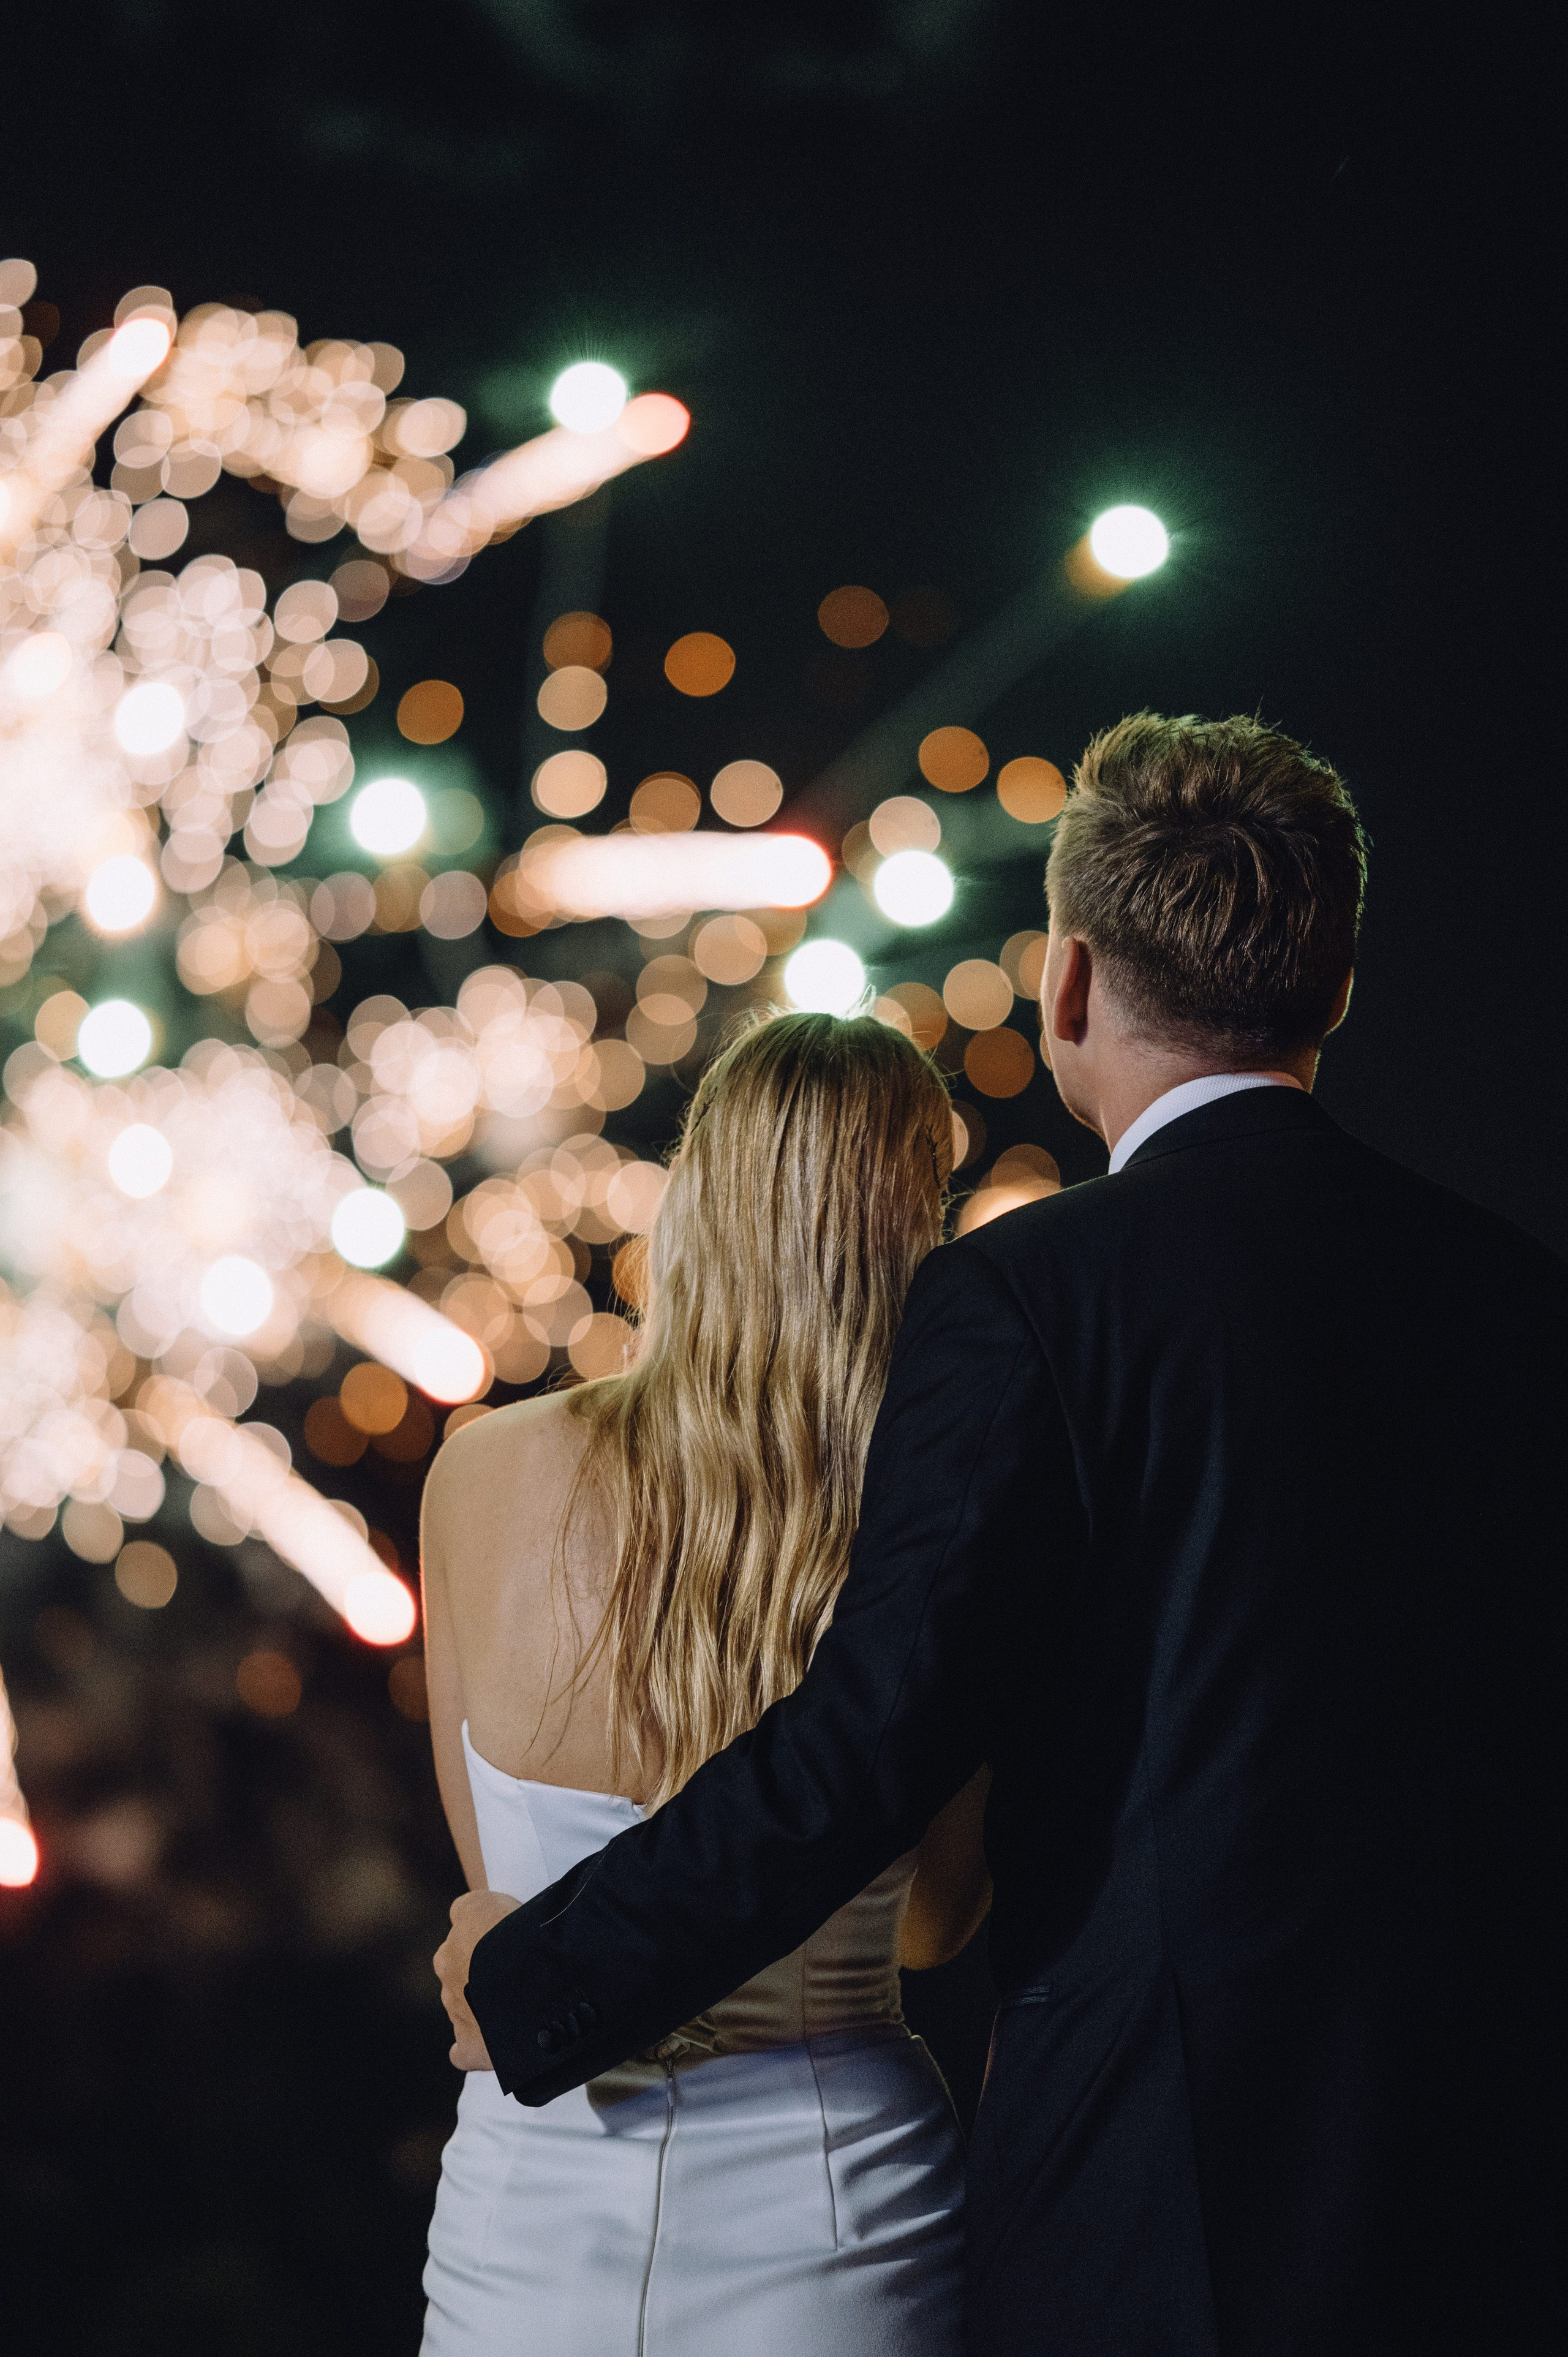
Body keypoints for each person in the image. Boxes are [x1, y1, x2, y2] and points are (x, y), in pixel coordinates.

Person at [439, 712, 1567, 2354]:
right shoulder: (1516, 1296)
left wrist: (550, 1971)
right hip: (1492, 2160)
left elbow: (874, 1734)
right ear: (1331, 984)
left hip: (1157, 2176)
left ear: (1069, 983)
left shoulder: (1028, 1299)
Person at [418, 1013, 991, 2354]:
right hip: (836, 2206)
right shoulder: (935, 1529)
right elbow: (939, 1917)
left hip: (531, 2190)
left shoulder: (479, 1475)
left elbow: (498, 1900)